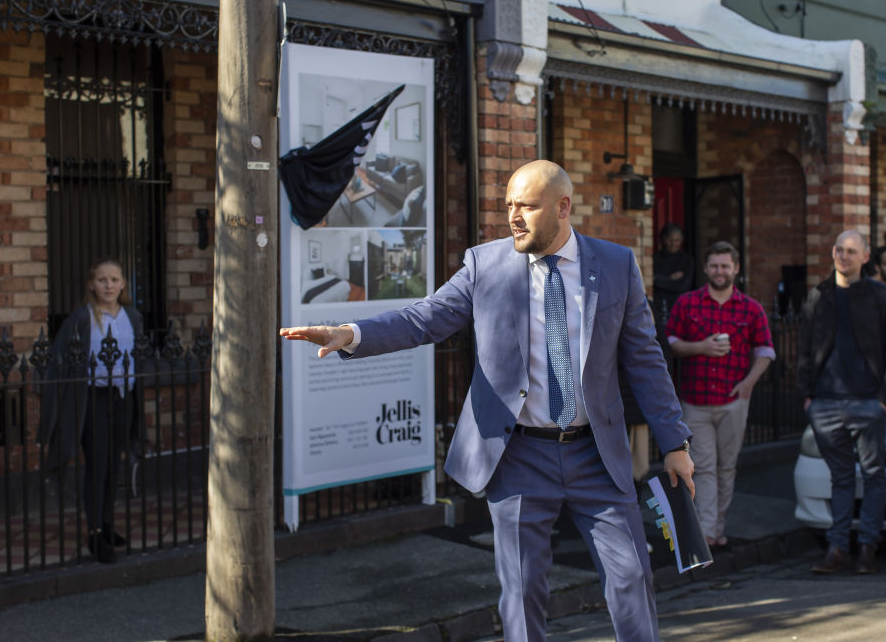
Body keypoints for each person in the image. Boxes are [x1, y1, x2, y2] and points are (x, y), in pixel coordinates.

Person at [282, 160, 693, 642]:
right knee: (522, 594)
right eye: (509, 206)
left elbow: (645, 360)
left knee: (631, 579)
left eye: (527, 206)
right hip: (518, 454)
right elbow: (424, 318)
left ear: (563, 208)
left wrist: (675, 442)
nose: (514, 217)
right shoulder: (486, 264)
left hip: (596, 455)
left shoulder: (617, 265)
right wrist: (351, 333)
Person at [798, 230, 886, 575]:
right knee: (840, 477)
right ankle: (837, 548)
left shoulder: (882, 297)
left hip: (869, 402)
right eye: (839, 250)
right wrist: (807, 397)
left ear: (864, 257)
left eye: (851, 251)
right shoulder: (820, 295)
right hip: (825, 403)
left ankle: (868, 548)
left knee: (874, 474)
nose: (843, 257)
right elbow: (804, 346)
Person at [664, 241, 774, 547]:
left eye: (725, 266)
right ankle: (708, 532)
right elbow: (669, 341)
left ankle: (717, 525)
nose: (720, 271)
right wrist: (700, 347)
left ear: (736, 269)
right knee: (704, 467)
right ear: (706, 268)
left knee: (727, 467)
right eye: (714, 266)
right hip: (695, 401)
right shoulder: (688, 303)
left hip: (733, 400)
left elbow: (765, 351)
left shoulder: (751, 308)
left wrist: (750, 382)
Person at [39, 258, 143, 564]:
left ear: (123, 284)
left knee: (114, 466)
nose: (108, 285)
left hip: (123, 398)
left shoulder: (133, 317)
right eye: (102, 280)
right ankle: (94, 532)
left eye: (114, 280)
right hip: (93, 400)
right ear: (91, 284)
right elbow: (60, 361)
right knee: (97, 467)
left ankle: (108, 524)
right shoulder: (82, 318)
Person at [653, 222, 694, 318]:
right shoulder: (653, 259)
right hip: (657, 309)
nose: (673, 244)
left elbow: (682, 286)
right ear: (662, 239)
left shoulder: (687, 260)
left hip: (679, 310)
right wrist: (669, 279)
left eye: (677, 240)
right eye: (669, 239)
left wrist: (657, 279)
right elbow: (647, 282)